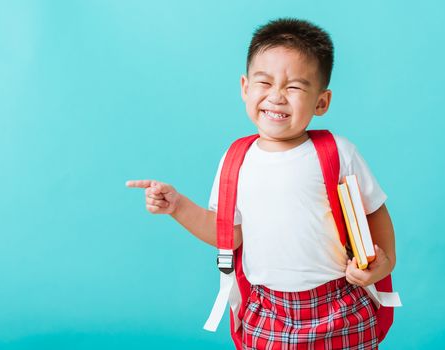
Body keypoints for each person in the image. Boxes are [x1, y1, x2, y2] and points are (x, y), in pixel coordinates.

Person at [127, 18, 396, 349]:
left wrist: (384, 262)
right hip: (268, 310)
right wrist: (178, 206)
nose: (277, 97)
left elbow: (374, 212)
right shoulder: (235, 159)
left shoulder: (338, 152)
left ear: (321, 102)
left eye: (295, 87)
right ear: (245, 87)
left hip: (339, 304)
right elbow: (229, 233)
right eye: (264, 82)